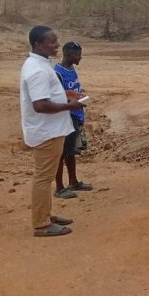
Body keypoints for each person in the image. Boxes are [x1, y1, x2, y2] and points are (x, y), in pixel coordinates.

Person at [20, 26, 84, 237]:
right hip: (46, 132)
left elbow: (47, 96)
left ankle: (46, 215)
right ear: (38, 44)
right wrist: (70, 106)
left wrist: (65, 95)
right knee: (43, 178)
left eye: (56, 41)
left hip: (50, 130)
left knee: (45, 177)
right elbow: (40, 105)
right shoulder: (37, 70)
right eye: (52, 42)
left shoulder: (40, 64)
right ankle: (41, 224)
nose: (57, 45)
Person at [53, 41, 93, 199]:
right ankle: (59, 187)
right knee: (61, 153)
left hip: (75, 115)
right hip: (66, 117)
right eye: (78, 55)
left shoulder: (71, 69)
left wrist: (80, 94)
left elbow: (73, 89)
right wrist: (73, 98)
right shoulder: (57, 72)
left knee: (71, 151)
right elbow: (56, 95)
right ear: (68, 54)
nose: (80, 58)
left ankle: (73, 182)